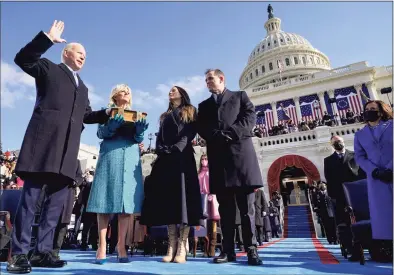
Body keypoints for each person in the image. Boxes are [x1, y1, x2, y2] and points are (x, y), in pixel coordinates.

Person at [7, 20, 110, 274]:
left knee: (54, 208)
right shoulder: (48, 69)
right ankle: (18, 253)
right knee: (30, 203)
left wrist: (107, 113)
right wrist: (47, 39)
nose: (83, 56)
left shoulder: (83, 87)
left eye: (86, 55)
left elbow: (86, 115)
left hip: (66, 155)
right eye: (79, 52)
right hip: (42, 147)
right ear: (66, 53)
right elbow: (23, 59)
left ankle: (43, 252)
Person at [197, 69, 263, 265]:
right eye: (206, 80)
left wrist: (231, 133)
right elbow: (202, 127)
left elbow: (249, 118)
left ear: (221, 78)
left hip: (241, 158)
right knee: (225, 212)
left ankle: (251, 250)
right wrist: (216, 136)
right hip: (219, 161)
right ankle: (228, 251)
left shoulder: (240, 96)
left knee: (246, 210)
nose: (207, 82)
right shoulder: (204, 105)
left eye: (210, 78)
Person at [140, 86, 204, 264]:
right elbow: (160, 136)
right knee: (168, 202)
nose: (170, 92)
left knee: (182, 200)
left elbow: (190, 132)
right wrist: (161, 149)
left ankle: (182, 245)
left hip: (182, 158)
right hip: (166, 160)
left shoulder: (190, 110)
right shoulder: (164, 116)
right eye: (169, 90)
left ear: (182, 94)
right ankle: (171, 244)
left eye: (174, 90)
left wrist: (177, 148)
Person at [86, 84, 148, 264]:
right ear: (114, 96)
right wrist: (110, 127)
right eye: (122, 90)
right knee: (104, 202)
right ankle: (102, 245)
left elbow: (138, 139)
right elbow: (100, 133)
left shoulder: (136, 114)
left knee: (126, 205)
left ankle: (122, 246)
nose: (127, 93)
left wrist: (140, 131)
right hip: (110, 156)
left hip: (130, 157)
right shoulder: (107, 113)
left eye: (129, 90)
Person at [354, 100, 393, 262]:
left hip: (391, 172)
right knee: (384, 215)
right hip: (376, 179)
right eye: (367, 109)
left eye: (373, 109)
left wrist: (390, 168)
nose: (369, 111)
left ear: (381, 110)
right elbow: (359, 157)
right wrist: (374, 170)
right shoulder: (360, 134)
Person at [324, 135, 366, 225]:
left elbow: (362, 173)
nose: (338, 143)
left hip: (356, 192)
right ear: (332, 145)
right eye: (335, 142)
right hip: (340, 195)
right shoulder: (328, 160)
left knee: (361, 217)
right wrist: (333, 196)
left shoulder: (355, 155)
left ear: (343, 141)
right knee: (344, 220)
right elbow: (329, 179)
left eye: (339, 141)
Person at [198, 154, 220, 257]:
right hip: (202, 200)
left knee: (213, 224)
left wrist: (212, 193)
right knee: (204, 224)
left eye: (206, 159)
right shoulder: (198, 173)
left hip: (212, 198)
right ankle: (205, 249)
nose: (204, 161)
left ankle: (212, 248)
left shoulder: (211, 172)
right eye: (202, 159)